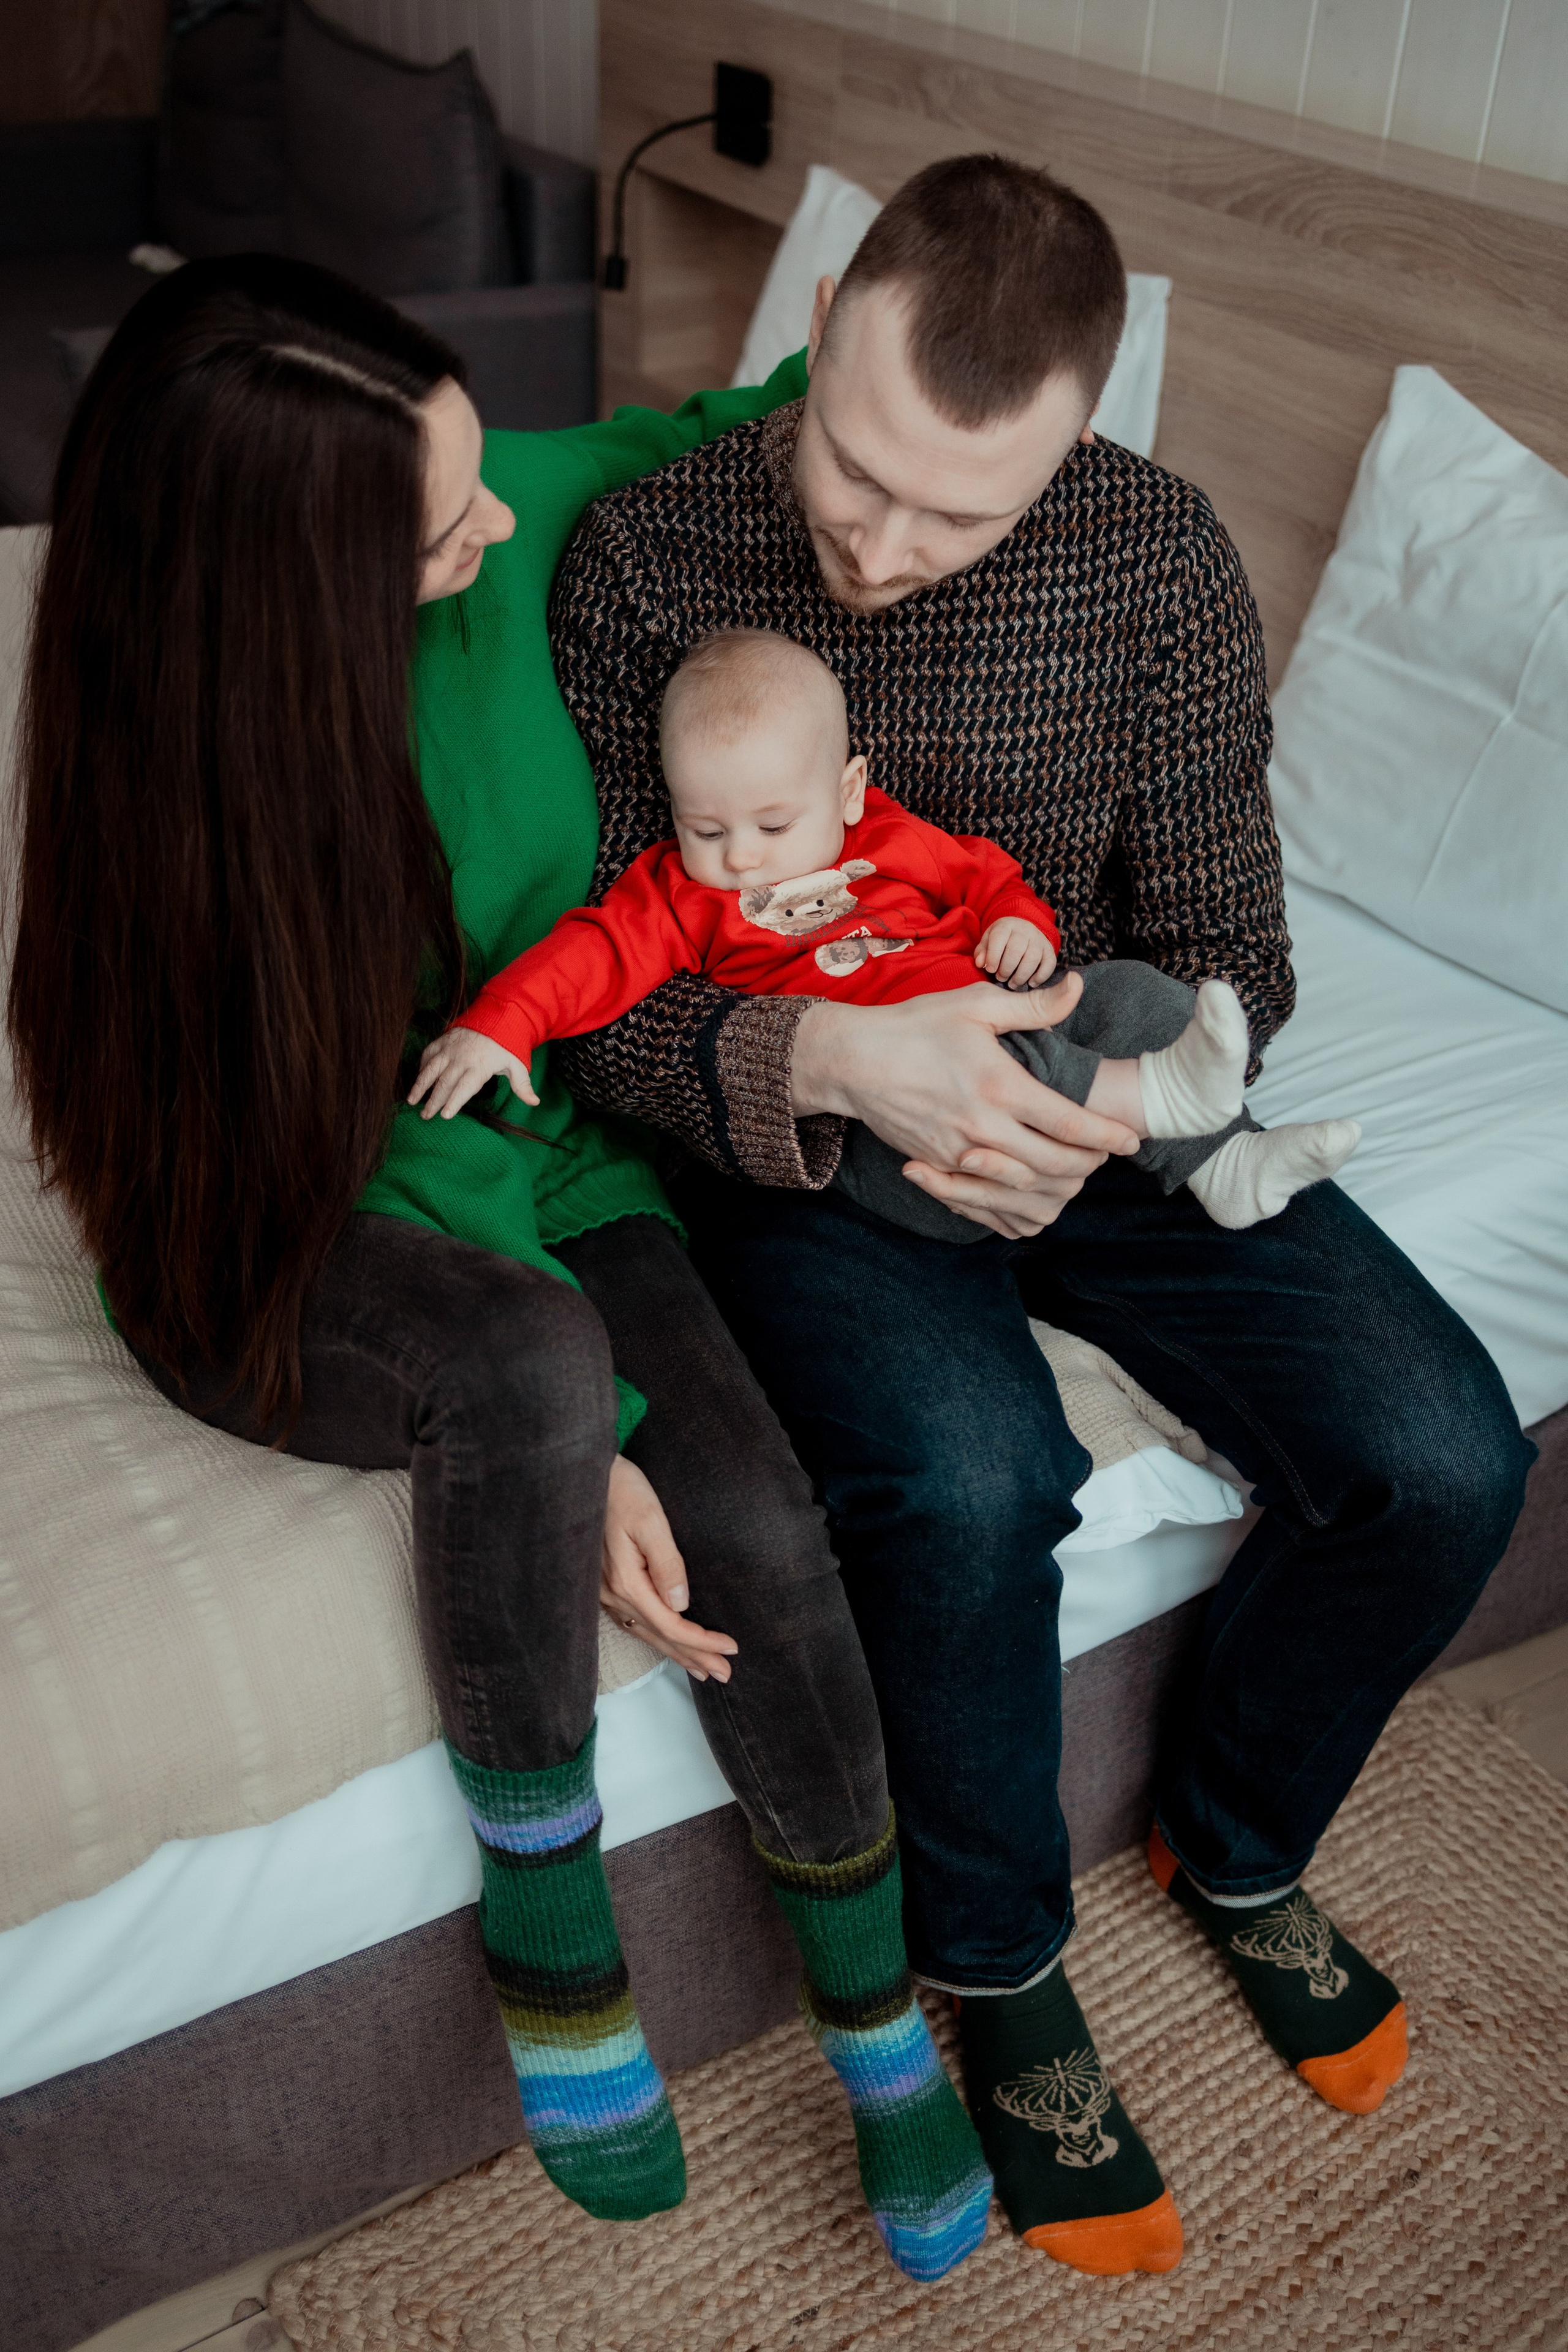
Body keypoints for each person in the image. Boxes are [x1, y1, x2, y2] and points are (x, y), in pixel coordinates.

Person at [541, 155, 1536, 2272]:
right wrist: (828, 1065)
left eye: (956, 512)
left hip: (1086, 1100)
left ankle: (1238, 1843)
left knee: (1445, 1457)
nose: (880, 548)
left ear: (1075, 432)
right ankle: (997, 1962)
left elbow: (1231, 939)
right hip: (797, 1130)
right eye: (853, 465)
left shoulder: (1157, 553)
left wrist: (1112, 1090)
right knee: (979, 1485)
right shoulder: (653, 555)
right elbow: (606, 1000)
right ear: (825, 346)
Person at [4, 254, 993, 2282]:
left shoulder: (485, 486)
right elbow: (353, 1132)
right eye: (450, 525)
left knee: (766, 1530)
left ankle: (878, 2026)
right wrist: (587, 1434)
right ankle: (553, 1937)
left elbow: (700, 432)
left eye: (474, 468)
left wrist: (907, 353)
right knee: (538, 1375)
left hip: (550, 1172)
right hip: (282, 1219)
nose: (504, 524)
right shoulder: (202, 780)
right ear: (296, 586)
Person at [410, 627, 1360, 1237]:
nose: (742, 858)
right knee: (1007, 1067)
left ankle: (1226, 1161)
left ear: (849, 792)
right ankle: (1149, 1099)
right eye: (707, 829)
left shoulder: (891, 838)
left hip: (1001, 1017)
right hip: (902, 1142)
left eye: (774, 825)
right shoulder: (679, 894)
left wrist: (1019, 924)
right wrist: (500, 1024)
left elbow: (984, 873)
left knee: (1137, 995)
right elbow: (594, 955)